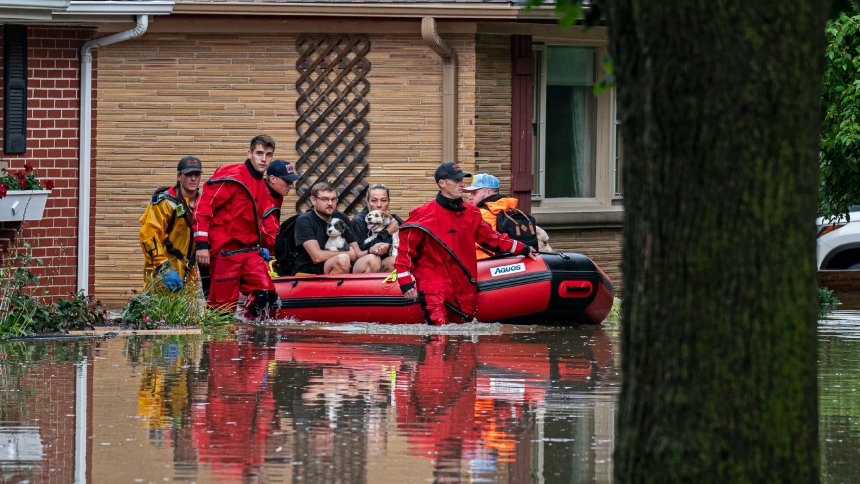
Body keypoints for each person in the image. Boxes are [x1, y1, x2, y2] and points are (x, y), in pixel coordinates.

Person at [395, 162, 538, 325]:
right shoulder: (422, 215)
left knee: (463, 333)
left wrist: (523, 249)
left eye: (462, 180)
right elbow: (405, 251)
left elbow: (492, 238)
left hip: (463, 286)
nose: (462, 184)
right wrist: (405, 283)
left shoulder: (471, 213)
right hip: (433, 286)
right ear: (442, 183)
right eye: (456, 180)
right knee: (438, 330)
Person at [193, 135, 279, 311]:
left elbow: (262, 225)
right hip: (224, 254)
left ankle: (245, 324)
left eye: (268, 155)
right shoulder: (232, 176)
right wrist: (201, 245)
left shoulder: (262, 187)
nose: (264, 159)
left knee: (266, 295)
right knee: (222, 310)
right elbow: (203, 207)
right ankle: (223, 326)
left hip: (249, 253)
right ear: (250, 153)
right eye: (259, 153)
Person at [139, 155, 203, 293]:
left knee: (187, 307)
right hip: (164, 272)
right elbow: (149, 236)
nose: (193, 178)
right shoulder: (165, 203)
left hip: (190, 272)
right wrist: (163, 267)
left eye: (197, 174)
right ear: (179, 176)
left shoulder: (204, 205)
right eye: (189, 174)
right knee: (159, 306)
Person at [292, 181, 370, 275]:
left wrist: (372, 250)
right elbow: (317, 257)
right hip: (311, 270)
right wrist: (348, 254)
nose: (330, 203)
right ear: (313, 200)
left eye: (333, 199)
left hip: (343, 264)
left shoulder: (341, 218)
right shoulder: (305, 220)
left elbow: (356, 253)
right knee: (342, 260)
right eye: (324, 199)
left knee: (372, 260)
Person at [464, 173, 530, 260]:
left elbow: (467, 243)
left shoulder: (482, 214)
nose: (470, 197)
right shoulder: (509, 208)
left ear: (488, 192)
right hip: (509, 261)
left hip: (483, 262)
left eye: (474, 193)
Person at [351, 183, 403, 273]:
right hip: (363, 262)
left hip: (383, 262)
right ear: (367, 202)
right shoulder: (359, 221)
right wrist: (387, 232)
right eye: (374, 201)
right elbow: (363, 252)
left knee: (396, 261)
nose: (379, 205)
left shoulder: (394, 220)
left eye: (383, 200)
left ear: (388, 202)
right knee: (373, 259)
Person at [261, 159, 301, 255]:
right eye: (288, 181)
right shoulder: (264, 201)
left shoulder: (276, 194)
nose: (291, 186)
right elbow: (274, 238)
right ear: (272, 179)